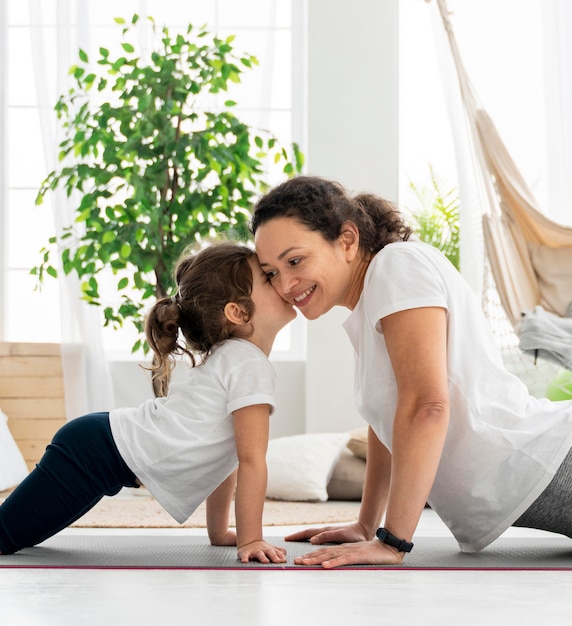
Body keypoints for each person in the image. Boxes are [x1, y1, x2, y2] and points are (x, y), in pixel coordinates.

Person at [251, 175, 572, 569]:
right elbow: (388, 423)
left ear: (347, 240)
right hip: (541, 472)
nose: (285, 284)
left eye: (295, 260)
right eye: (271, 273)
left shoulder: (395, 267)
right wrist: (366, 525)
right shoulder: (372, 300)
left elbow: (426, 405)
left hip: (552, 459)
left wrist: (393, 542)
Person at [0, 241, 296, 563]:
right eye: (269, 277)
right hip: (95, 452)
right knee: (5, 536)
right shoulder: (248, 364)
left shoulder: (238, 359)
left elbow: (227, 459)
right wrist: (250, 539)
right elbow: (252, 460)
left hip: (99, 447)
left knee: (10, 533)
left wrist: (219, 532)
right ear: (237, 312)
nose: (283, 282)